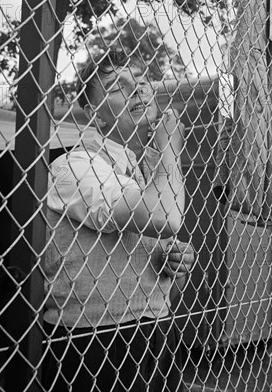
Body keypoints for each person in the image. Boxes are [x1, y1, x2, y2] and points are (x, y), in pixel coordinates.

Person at [42, 50, 194, 392]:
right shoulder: (75, 165)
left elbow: (164, 275)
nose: (137, 90)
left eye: (142, 82)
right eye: (117, 86)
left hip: (154, 333)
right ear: (93, 112)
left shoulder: (144, 172)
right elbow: (165, 218)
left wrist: (173, 263)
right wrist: (170, 144)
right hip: (93, 343)